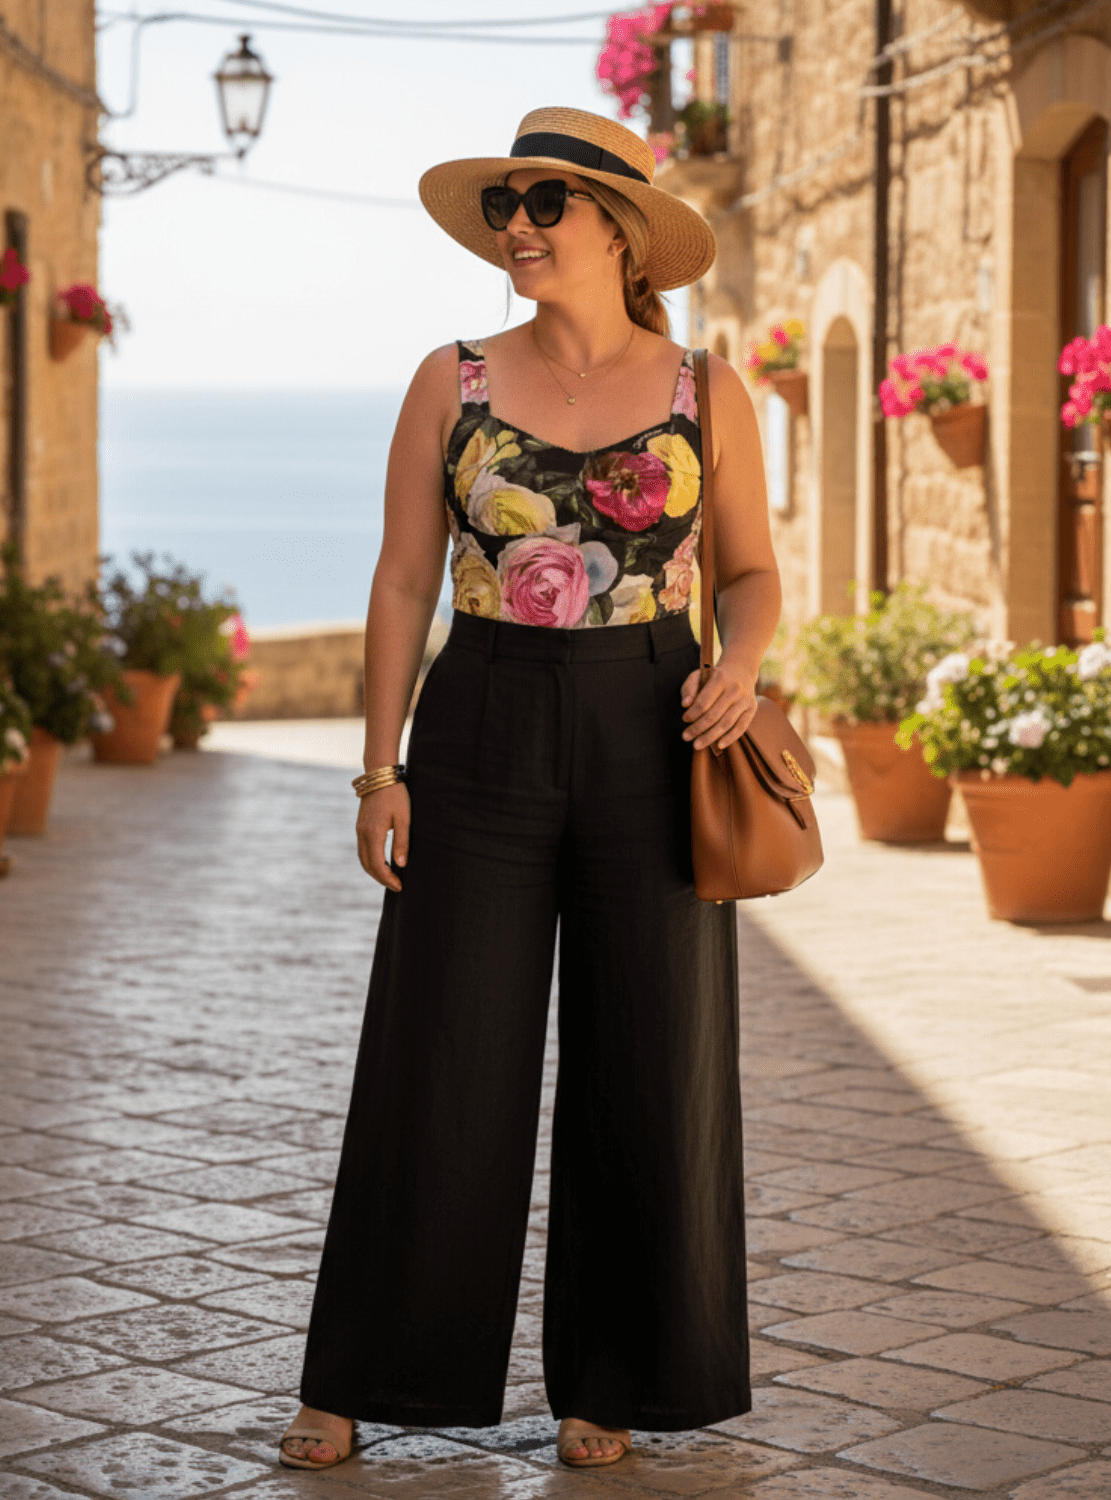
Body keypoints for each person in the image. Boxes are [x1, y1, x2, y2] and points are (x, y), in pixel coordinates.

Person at [279, 106, 780, 1474]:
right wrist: (379, 767)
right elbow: (398, 580)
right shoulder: (451, 382)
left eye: (546, 204)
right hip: (482, 719)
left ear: (620, 228)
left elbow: (751, 574)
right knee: (442, 1051)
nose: (519, 228)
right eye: (508, 203)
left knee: (650, 1056)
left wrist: (744, 664)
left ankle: (611, 1383)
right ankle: (362, 1376)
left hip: (656, 724)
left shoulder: (705, 390)